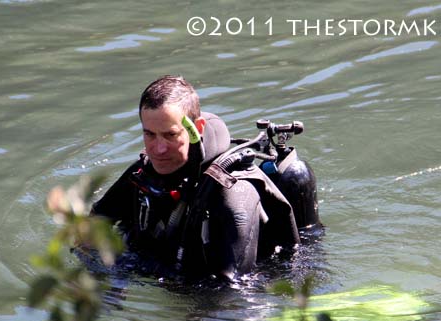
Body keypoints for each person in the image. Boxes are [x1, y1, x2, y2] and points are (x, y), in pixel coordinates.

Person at [91, 75, 300, 281]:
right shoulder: (145, 172)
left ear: (197, 128)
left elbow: (235, 295)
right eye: (150, 135)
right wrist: (107, 277)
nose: (159, 149)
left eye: (170, 135)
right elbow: (91, 225)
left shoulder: (233, 193)